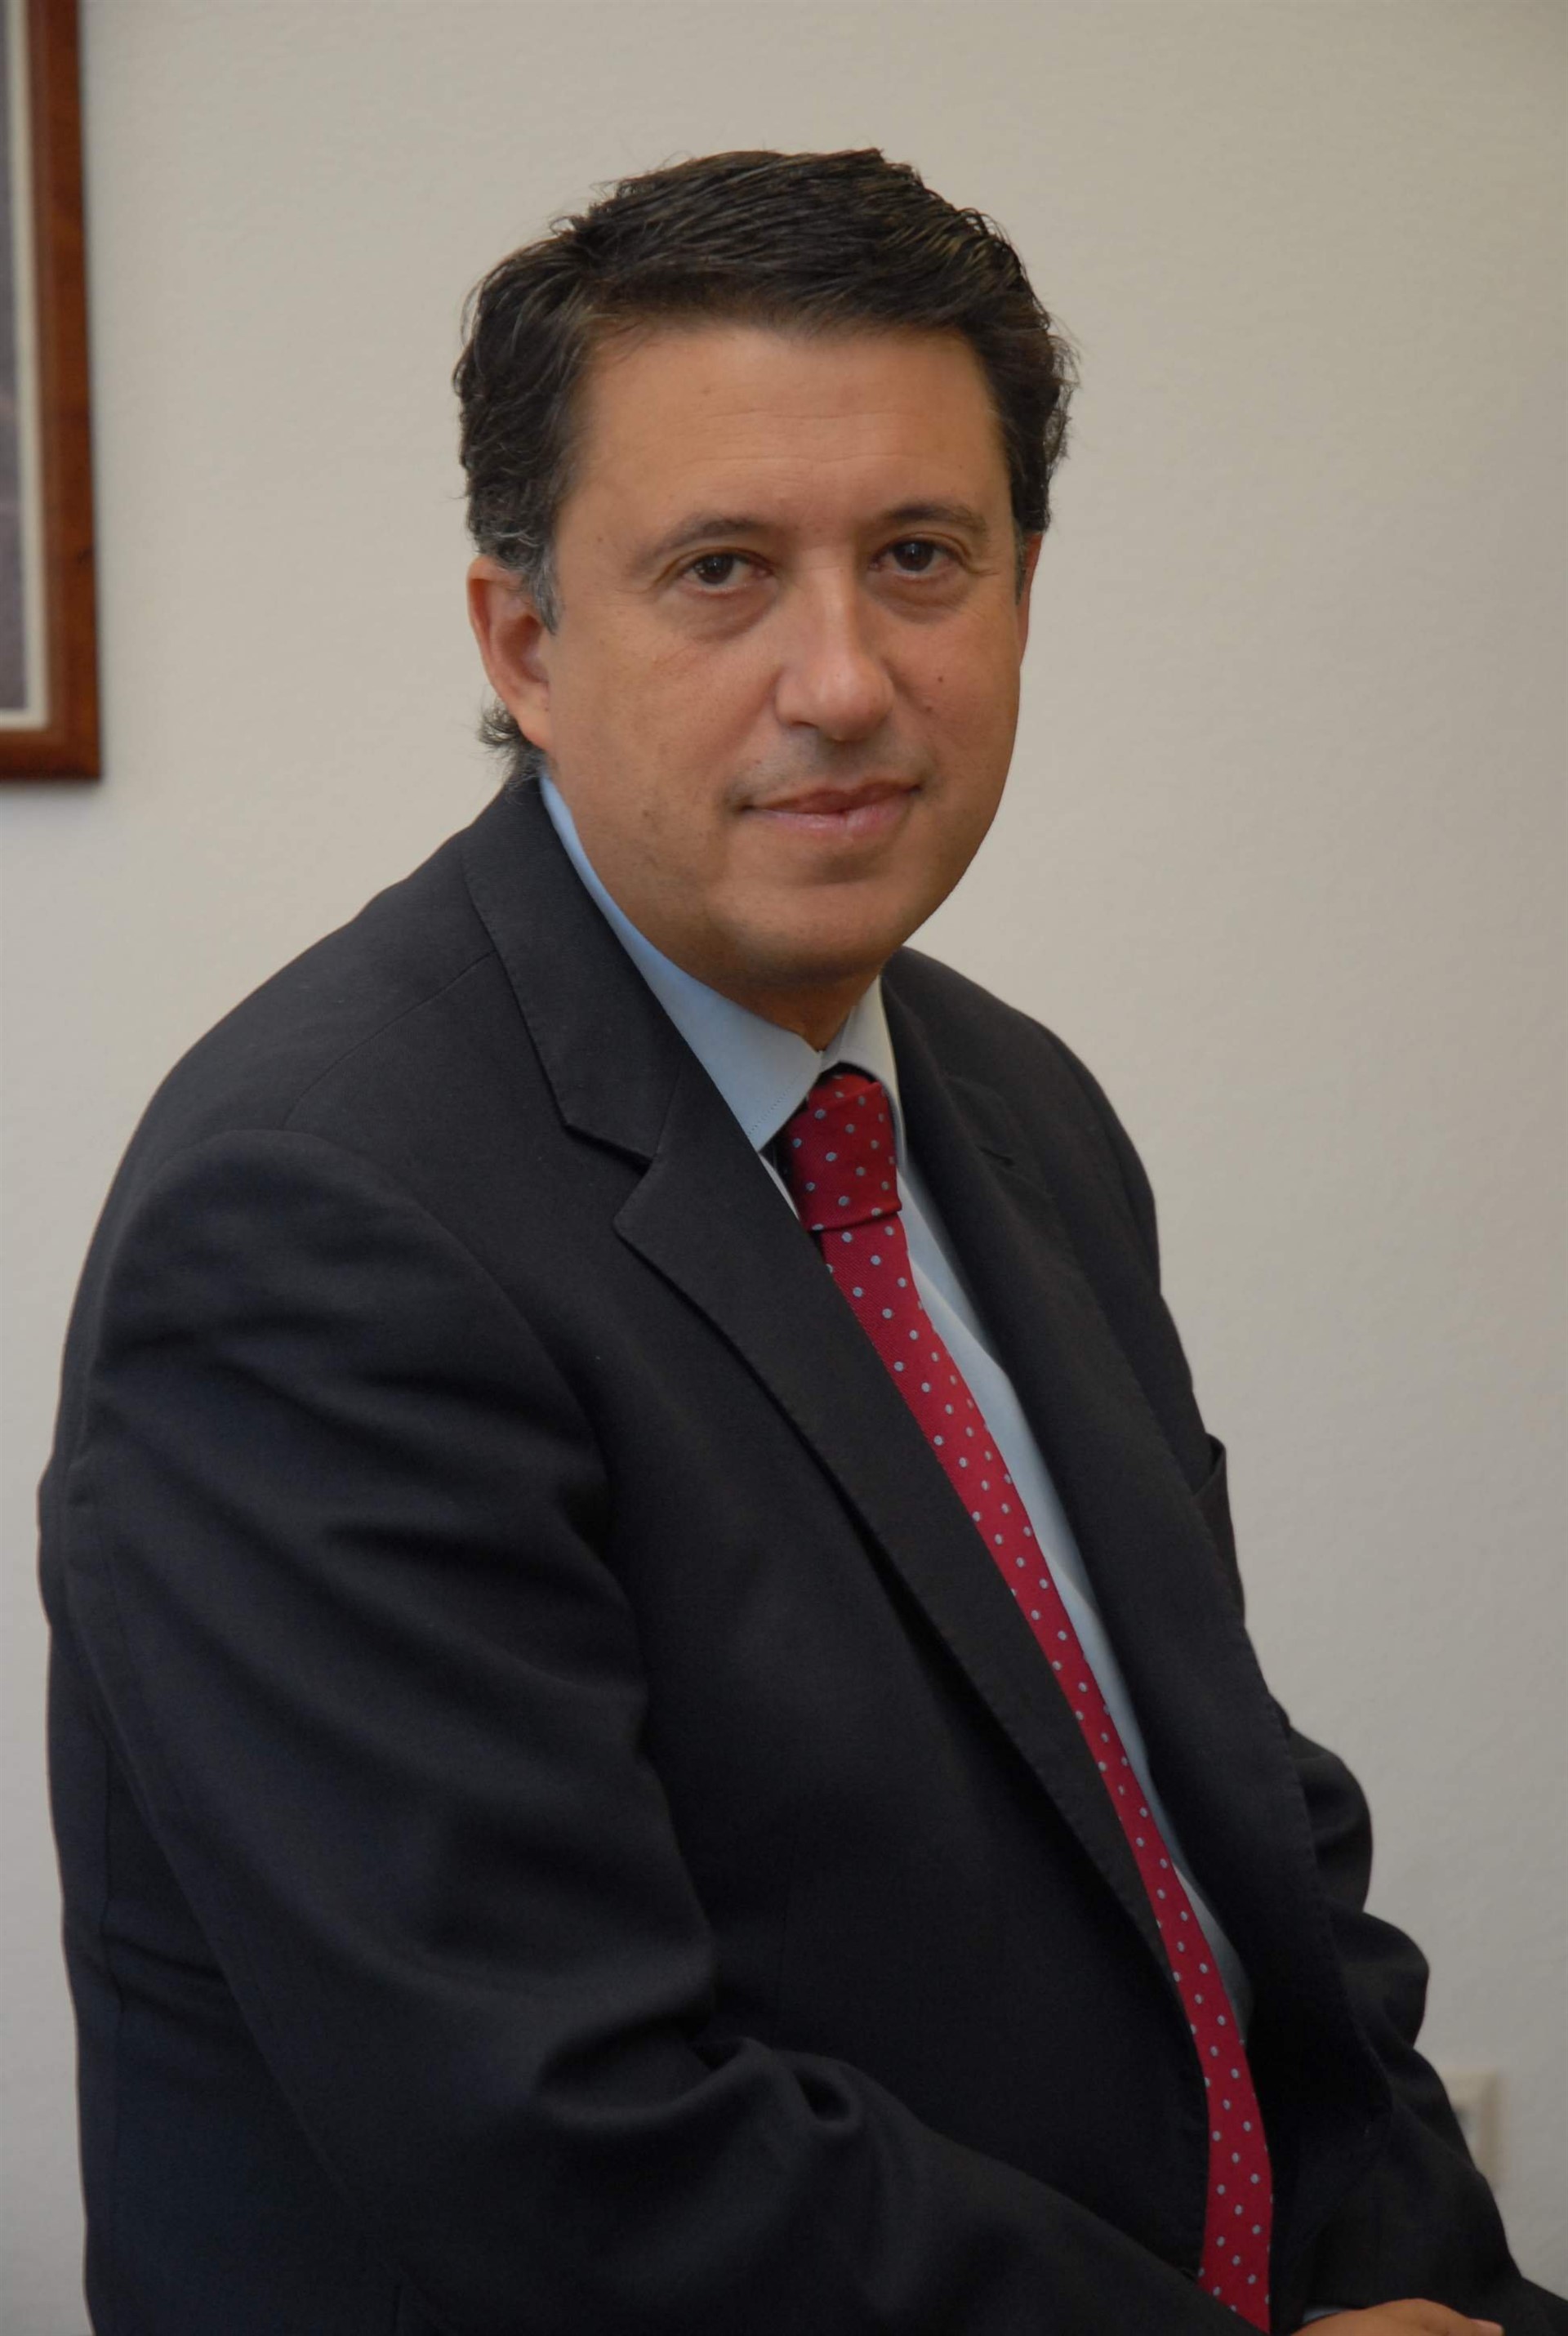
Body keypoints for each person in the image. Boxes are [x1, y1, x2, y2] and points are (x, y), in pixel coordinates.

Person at [40, 148, 1566, 2336]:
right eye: (722, 571)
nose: (842, 677)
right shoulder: (317, 1221)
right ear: (525, 642)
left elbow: (1239, 1849)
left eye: (921, 557)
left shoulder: (1013, 1104)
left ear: (1023, 591)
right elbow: (567, 2146)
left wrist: (1443, 2290)